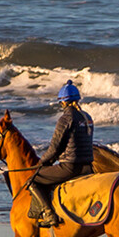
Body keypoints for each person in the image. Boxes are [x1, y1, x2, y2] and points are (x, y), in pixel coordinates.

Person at [27, 80, 95, 227]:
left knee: (34, 180)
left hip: (70, 167)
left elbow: (55, 148)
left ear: (62, 102)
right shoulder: (87, 116)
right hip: (89, 166)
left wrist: (41, 163)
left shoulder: (66, 118)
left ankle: (49, 214)